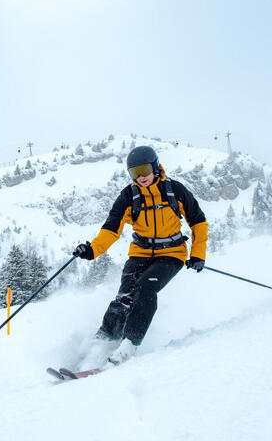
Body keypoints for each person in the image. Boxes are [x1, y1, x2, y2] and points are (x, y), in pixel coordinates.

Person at [73, 145, 208, 367]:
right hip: (140, 252)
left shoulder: (174, 190)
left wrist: (197, 254)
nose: (141, 177)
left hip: (171, 254)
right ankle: (101, 343)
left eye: (145, 170)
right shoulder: (129, 195)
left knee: (145, 288)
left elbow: (198, 222)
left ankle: (129, 345)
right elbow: (111, 228)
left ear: (155, 167)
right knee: (124, 297)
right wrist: (92, 249)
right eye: (135, 172)